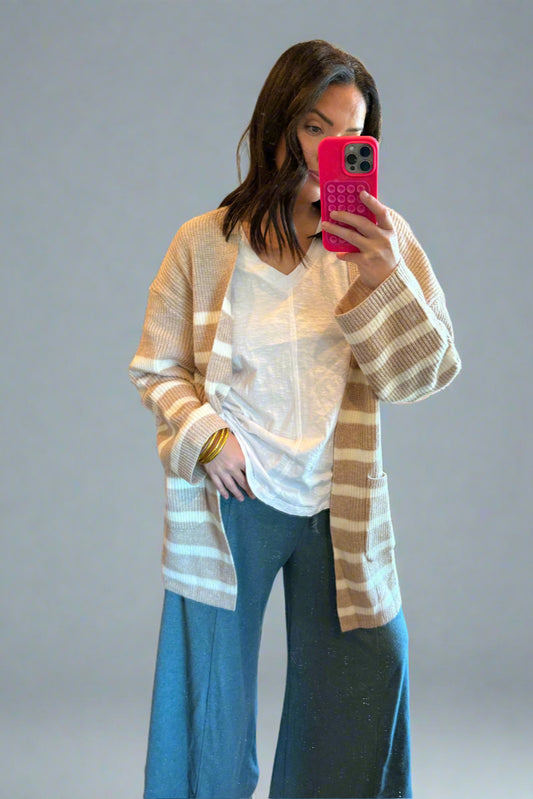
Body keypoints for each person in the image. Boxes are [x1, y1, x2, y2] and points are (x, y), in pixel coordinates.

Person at [129, 39, 461, 799]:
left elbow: (425, 373)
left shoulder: (379, 241)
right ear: (277, 125)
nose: (328, 150)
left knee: (361, 684)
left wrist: (383, 279)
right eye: (315, 127)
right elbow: (156, 367)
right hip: (233, 500)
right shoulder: (204, 243)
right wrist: (206, 439)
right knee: (208, 704)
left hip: (337, 504)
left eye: (352, 136)